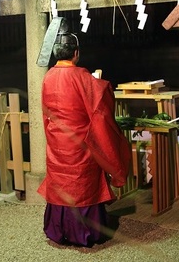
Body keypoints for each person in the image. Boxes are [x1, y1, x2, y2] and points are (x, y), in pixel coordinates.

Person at [37, 28, 131, 247]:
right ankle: (85, 232)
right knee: (82, 183)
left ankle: (59, 231)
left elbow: (45, 113)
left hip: (57, 141)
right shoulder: (81, 76)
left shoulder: (48, 77)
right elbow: (99, 107)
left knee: (61, 182)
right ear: (76, 53)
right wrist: (101, 84)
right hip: (80, 142)